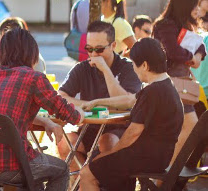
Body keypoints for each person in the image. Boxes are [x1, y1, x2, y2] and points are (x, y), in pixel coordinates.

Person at [0, 28, 84, 191]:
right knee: (61, 170)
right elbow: (65, 111)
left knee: (34, 181)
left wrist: (45, 122)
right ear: (31, 53)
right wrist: (80, 114)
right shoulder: (33, 77)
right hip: (11, 164)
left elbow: (7, 114)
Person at [79, 38, 184, 191]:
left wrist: (110, 153)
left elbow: (132, 134)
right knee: (101, 165)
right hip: (159, 157)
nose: (134, 69)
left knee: (87, 172)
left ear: (145, 65)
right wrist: (97, 102)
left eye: (134, 65)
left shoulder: (152, 92)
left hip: (145, 157)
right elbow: (129, 100)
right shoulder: (166, 86)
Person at [57, 21, 142, 166]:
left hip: (119, 129)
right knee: (64, 143)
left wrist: (106, 71)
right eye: (89, 49)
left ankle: (95, 182)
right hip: (88, 129)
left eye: (99, 49)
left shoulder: (128, 67)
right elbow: (61, 96)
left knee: (106, 142)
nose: (93, 54)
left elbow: (126, 102)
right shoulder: (82, 68)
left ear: (113, 46)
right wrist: (89, 105)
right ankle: (84, 184)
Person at [153, 0, 205, 164]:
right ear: (185, 6)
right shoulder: (166, 25)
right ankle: (167, 175)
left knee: (181, 130)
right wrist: (191, 57)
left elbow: (200, 47)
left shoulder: (185, 25)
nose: (198, 10)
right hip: (168, 85)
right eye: (195, 5)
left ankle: (169, 176)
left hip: (179, 86)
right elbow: (173, 52)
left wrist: (197, 56)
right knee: (190, 127)